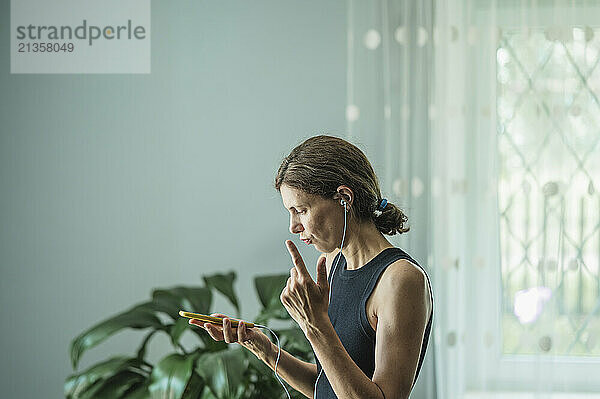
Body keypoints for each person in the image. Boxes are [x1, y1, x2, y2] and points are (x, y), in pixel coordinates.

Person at [190, 135, 434, 399]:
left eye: (301, 210)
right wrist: (262, 347)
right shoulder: (331, 264)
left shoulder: (400, 279)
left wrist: (315, 325)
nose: (293, 227)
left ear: (344, 198)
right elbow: (328, 385)